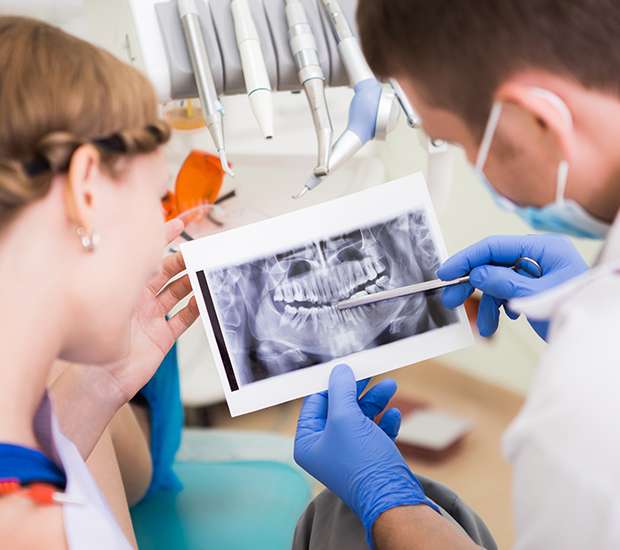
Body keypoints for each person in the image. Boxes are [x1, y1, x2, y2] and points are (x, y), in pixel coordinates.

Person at [292, 1, 620, 549]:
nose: (476, 166)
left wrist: (388, 501)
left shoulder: (583, 410)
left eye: (464, 144)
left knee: (337, 522)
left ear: (538, 118)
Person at [0, 16, 198, 548]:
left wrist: (101, 386)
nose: (161, 236)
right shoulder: (39, 534)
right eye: (157, 199)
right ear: (86, 189)